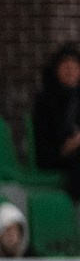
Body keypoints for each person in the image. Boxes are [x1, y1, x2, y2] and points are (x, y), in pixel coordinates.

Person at [32, 43, 80, 198]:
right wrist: (66, 147)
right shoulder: (46, 100)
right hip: (55, 155)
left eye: (75, 66)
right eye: (66, 66)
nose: (70, 71)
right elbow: (43, 139)